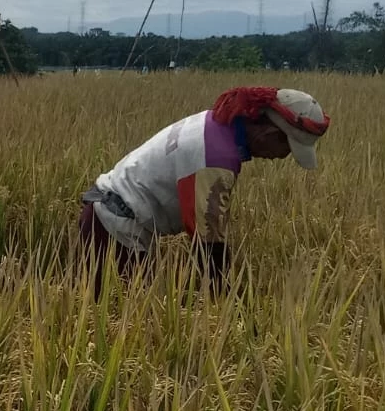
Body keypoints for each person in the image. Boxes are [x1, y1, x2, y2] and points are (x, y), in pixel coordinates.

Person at [79, 87, 330, 288]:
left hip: (109, 215)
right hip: (114, 231)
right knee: (126, 321)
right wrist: (228, 298)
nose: (282, 157)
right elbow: (207, 241)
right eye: (287, 148)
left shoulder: (214, 123)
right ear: (269, 132)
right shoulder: (216, 157)